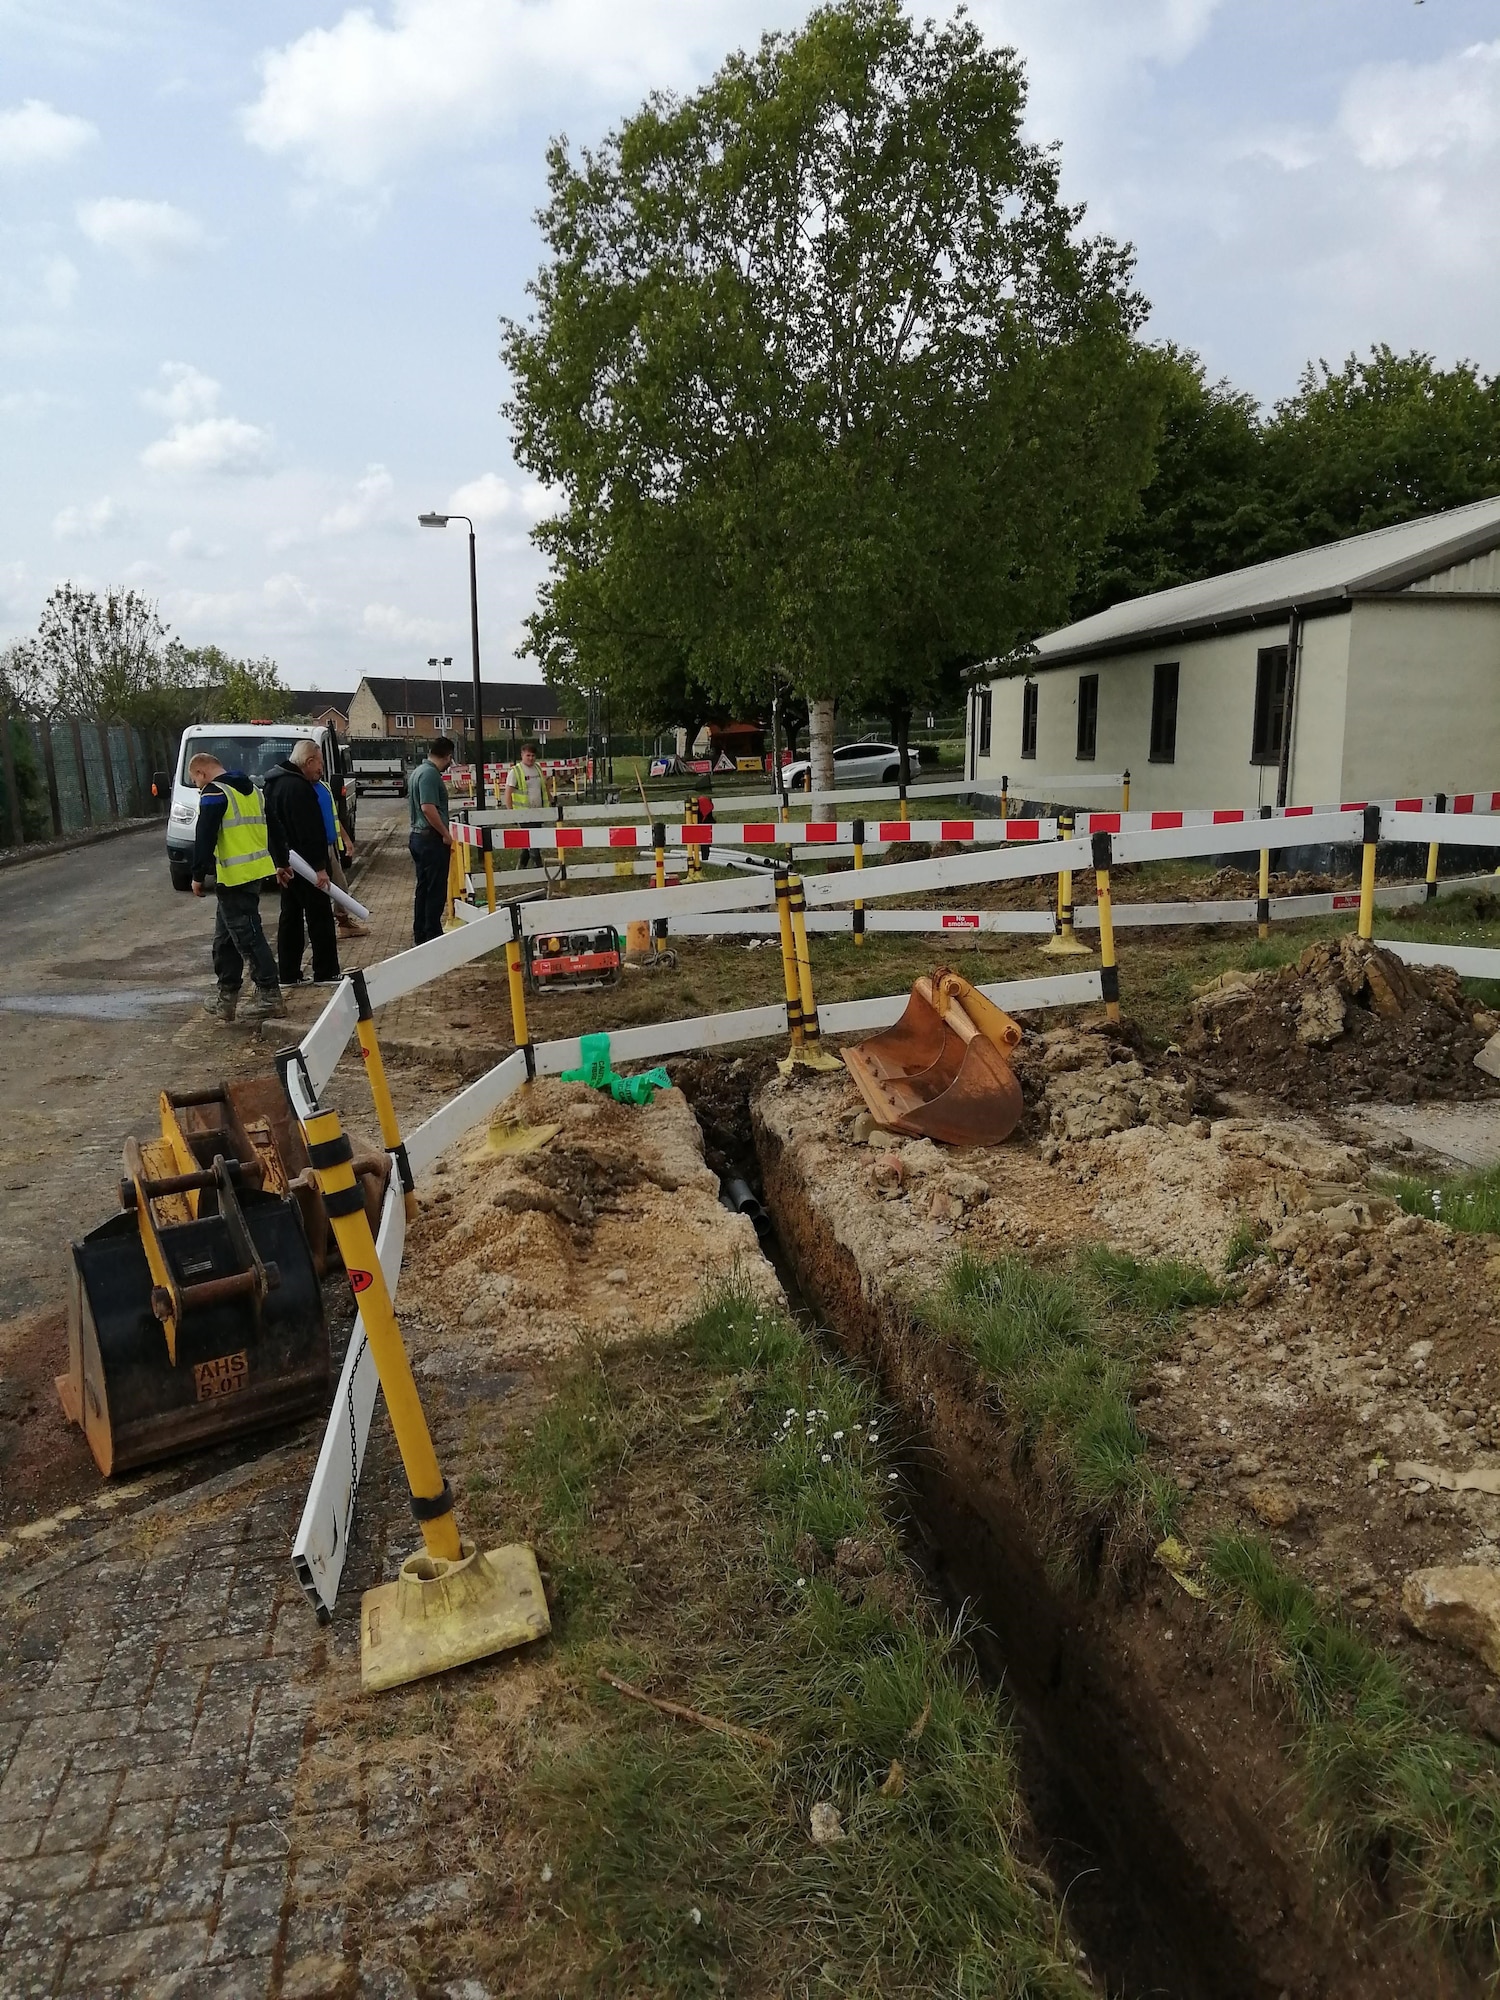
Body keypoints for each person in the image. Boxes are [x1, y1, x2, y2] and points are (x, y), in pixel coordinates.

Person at [187, 753, 287, 1024]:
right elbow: (274, 825)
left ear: (202, 773)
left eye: (195, 781)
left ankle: (269, 995)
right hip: (252, 875)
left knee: (248, 938)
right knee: (225, 940)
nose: (197, 787)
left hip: (235, 878)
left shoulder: (214, 793)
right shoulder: (253, 790)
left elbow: (204, 835)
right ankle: (226, 998)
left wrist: (197, 874)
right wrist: (282, 861)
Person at [264, 739, 341, 986]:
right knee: (320, 917)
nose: (321, 769)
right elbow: (310, 831)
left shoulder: (272, 784)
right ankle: (326, 972)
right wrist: (320, 868)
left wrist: (279, 861)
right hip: (307, 867)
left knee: (291, 917)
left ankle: (288, 973)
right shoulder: (300, 789)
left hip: (287, 865)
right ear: (308, 762)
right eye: (319, 763)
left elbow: (272, 829)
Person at [408, 736, 456, 946]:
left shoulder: (418, 771)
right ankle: (432, 935)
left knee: (424, 888)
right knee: (435, 890)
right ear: (448, 756)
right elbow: (428, 807)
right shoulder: (430, 775)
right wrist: (445, 833)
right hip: (431, 839)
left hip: (419, 838)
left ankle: (421, 932)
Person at [314, 764, 369, 940]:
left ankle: (343, 922)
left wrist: (346, 840)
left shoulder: (324, 787)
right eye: (318, 763)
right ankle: (340, 924)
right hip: (318, 848)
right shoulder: (304, 790)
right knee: (334, 887)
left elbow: (334, 817)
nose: (321, 768)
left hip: (330, 847)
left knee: (340, 886)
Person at [503, 740, 551, 870]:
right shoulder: (516, 771)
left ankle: (521, 867)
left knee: (529, 841)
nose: (531, 758)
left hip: (538, 811)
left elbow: (544, 787)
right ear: (522, 755)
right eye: (528, 755)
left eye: (533, 756)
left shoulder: (538, 768)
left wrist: (550, 800)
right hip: (523, 813)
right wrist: (511, 812)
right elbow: (508, 792)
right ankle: (539, 868)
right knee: (533, 841)